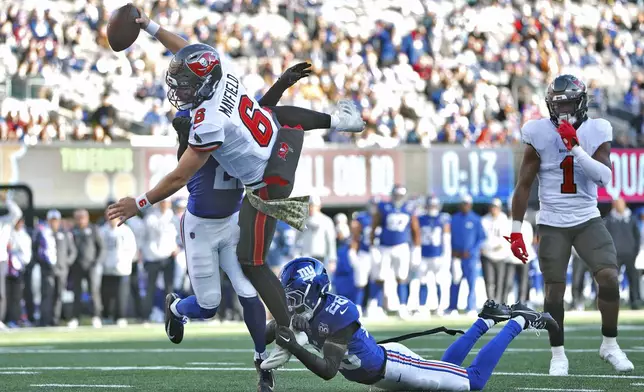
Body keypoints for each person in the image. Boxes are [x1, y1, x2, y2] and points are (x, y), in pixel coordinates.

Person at [107, 7, 364, 371]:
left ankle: (291, 336)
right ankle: (341, 120)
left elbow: (180, 176)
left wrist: (140, 201)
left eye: (186, 84)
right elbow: (187, 51)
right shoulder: (223, 72)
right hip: (282, 147)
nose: (179, 89)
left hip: (267, 185)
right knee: (274, 114)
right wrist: (149, 27)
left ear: (203, 85)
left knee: (253, 264)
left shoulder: (207, 121)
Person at [162, 61, 312, 391]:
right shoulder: (200, 137)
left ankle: (262, 362)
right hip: (200, 229)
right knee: (208, 305)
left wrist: (281, 85)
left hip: (230, 224)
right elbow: (182, 162)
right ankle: (175, 307)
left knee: (248, 292)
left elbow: (258, 112)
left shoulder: (231, 128)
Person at [267, 257, 559, 391]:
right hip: (383, 374)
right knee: (444, 377)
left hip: (394, 366)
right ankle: (485, 320)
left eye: (294, 295)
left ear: (314, 289)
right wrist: (265, 341)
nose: (290, 302)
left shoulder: (336, 314)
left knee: (473, 382)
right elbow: (270, 330)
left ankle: (519, 319)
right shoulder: (308, 314)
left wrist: (294, 345)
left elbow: (328, 371)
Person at [506, 74, 634, 375]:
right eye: (558, 105)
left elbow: (604, 178)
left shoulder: (597, 128)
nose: (563, 112)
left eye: (569, 104)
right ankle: (558, 354)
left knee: (610, 278)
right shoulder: (537, 131)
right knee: (553, 292)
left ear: (582, 103)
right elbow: (524, 185)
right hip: (552, 221)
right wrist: (515, 229)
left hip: (587, 217)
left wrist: (575, 148)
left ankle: (610, 344)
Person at [371, 185, 420, 319]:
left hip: (402, 246)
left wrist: (417, 248)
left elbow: (415, 229)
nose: (398, 197)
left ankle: (402, 306)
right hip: (384, 246)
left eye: (400, 195)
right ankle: (376, 306)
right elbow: (374, 226)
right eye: (396, 195)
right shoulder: (383, 207)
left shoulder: (409, 208)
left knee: (402, 277)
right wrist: (372, 246)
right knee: (380, 277)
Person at [35, 210, 77, 327]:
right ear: (48, 221)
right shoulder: (43, 233)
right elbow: (36, 251)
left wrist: (66, 263)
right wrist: (43, 264)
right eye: (52, 220)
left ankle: (55, 319)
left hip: (62, 270)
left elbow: (72, 251)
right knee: (47, 294)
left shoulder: (65, 234)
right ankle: (45, 320)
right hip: (47, 270)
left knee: (58, 295)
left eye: (56, 220)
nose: (54, 223)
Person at [141, 199, 179, 322]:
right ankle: (146, 316)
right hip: (153, 256)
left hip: (169, 256)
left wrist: (178, 247)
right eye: (162, 202)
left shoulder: (174, 218)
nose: (164, 204)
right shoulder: (150, 218)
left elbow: (181, 236)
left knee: (169, 288)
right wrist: (143, 252)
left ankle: (171, 315)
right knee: (150, 288)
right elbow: (143, 236)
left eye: (166, 202)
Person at [413, 195, 451, 317]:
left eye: (434, 205)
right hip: (424, 255)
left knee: (439, 281)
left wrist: (446, 255)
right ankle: (422, 306)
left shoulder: (442, 219)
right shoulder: (421, 218)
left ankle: (440, 307)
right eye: (430, 205)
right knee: (422, 281)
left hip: (437, 255)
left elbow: (446, 238)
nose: (432, 208)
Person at [448, 194, 486, 315]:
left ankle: (471, 306)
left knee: (471, 282)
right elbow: (449, 237)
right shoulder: (454, 219)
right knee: (455, 281)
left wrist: (471, 251)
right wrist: (453, 250)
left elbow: (481, 238)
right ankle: (452, 307)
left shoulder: (476, 219)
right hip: (456, 256)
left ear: (470, 205)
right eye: (463, 204)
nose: (465, 206)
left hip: (470, 257)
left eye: (467, 204)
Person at [100, 210, 137, 327]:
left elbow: (132, 248)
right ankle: (107, 316)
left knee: (121, 294)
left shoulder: (126, 230)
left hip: (122, 268)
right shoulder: (102, 230)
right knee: (106, 294)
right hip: (106, 268)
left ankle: (121, 316)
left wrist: (126, 261)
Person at [69, 209, 104, 329]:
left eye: (82, 217)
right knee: (77, 293)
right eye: (78, 218)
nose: (80, 220)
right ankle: (75, 318)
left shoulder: (93, 229)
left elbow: (101, 247)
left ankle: (96, 316)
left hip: (91, 265)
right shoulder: (72, 231)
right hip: (76, 266)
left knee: (93, 292)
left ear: (87, 218)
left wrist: (96, 262)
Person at [604, 198, 641, 309]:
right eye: (617, 203)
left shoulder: (632, 218)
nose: (619, 205)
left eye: (621, 203)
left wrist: (635, 252)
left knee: (633, 278)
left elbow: (637, 237)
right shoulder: (609, 220)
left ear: (624, 204)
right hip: (614, 254)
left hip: (630, 254)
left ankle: (635, 301)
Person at [480, 198, 511, 303]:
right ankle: (491, 302)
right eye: (492, 207)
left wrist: (500, 245)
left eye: (496, 207)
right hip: (487, 254)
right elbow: (482, 237)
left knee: (500, 281)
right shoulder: (484, 220)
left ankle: (499, 303)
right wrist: (485, 248)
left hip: (501, 255)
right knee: (489, 280)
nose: (494, 209)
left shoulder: (504, 219)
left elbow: (507, 237)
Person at [296, 196, 337, 272]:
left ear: (319, 206)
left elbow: (331, 241)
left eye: (314, 206)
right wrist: (295, 253)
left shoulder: (326, 220)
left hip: (321, 257)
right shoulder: (303, 220)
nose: (311, 208)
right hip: (306, 256)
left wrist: (332, 260)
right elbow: (296, 239)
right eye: (310, 205)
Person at [0, 192, 22, 329]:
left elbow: (17, 212)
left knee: (1, 293)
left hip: (0, 260)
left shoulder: (5, 221)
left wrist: (5, 200)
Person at [6, 218, 31, 327]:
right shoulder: (6, 233)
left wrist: (15, 251)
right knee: (5, 296)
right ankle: (6, 319)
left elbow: (26, 256)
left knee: (17, 296)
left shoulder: (25, 237)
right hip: (5, 269)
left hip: (18, 270)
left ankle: (15, 319)